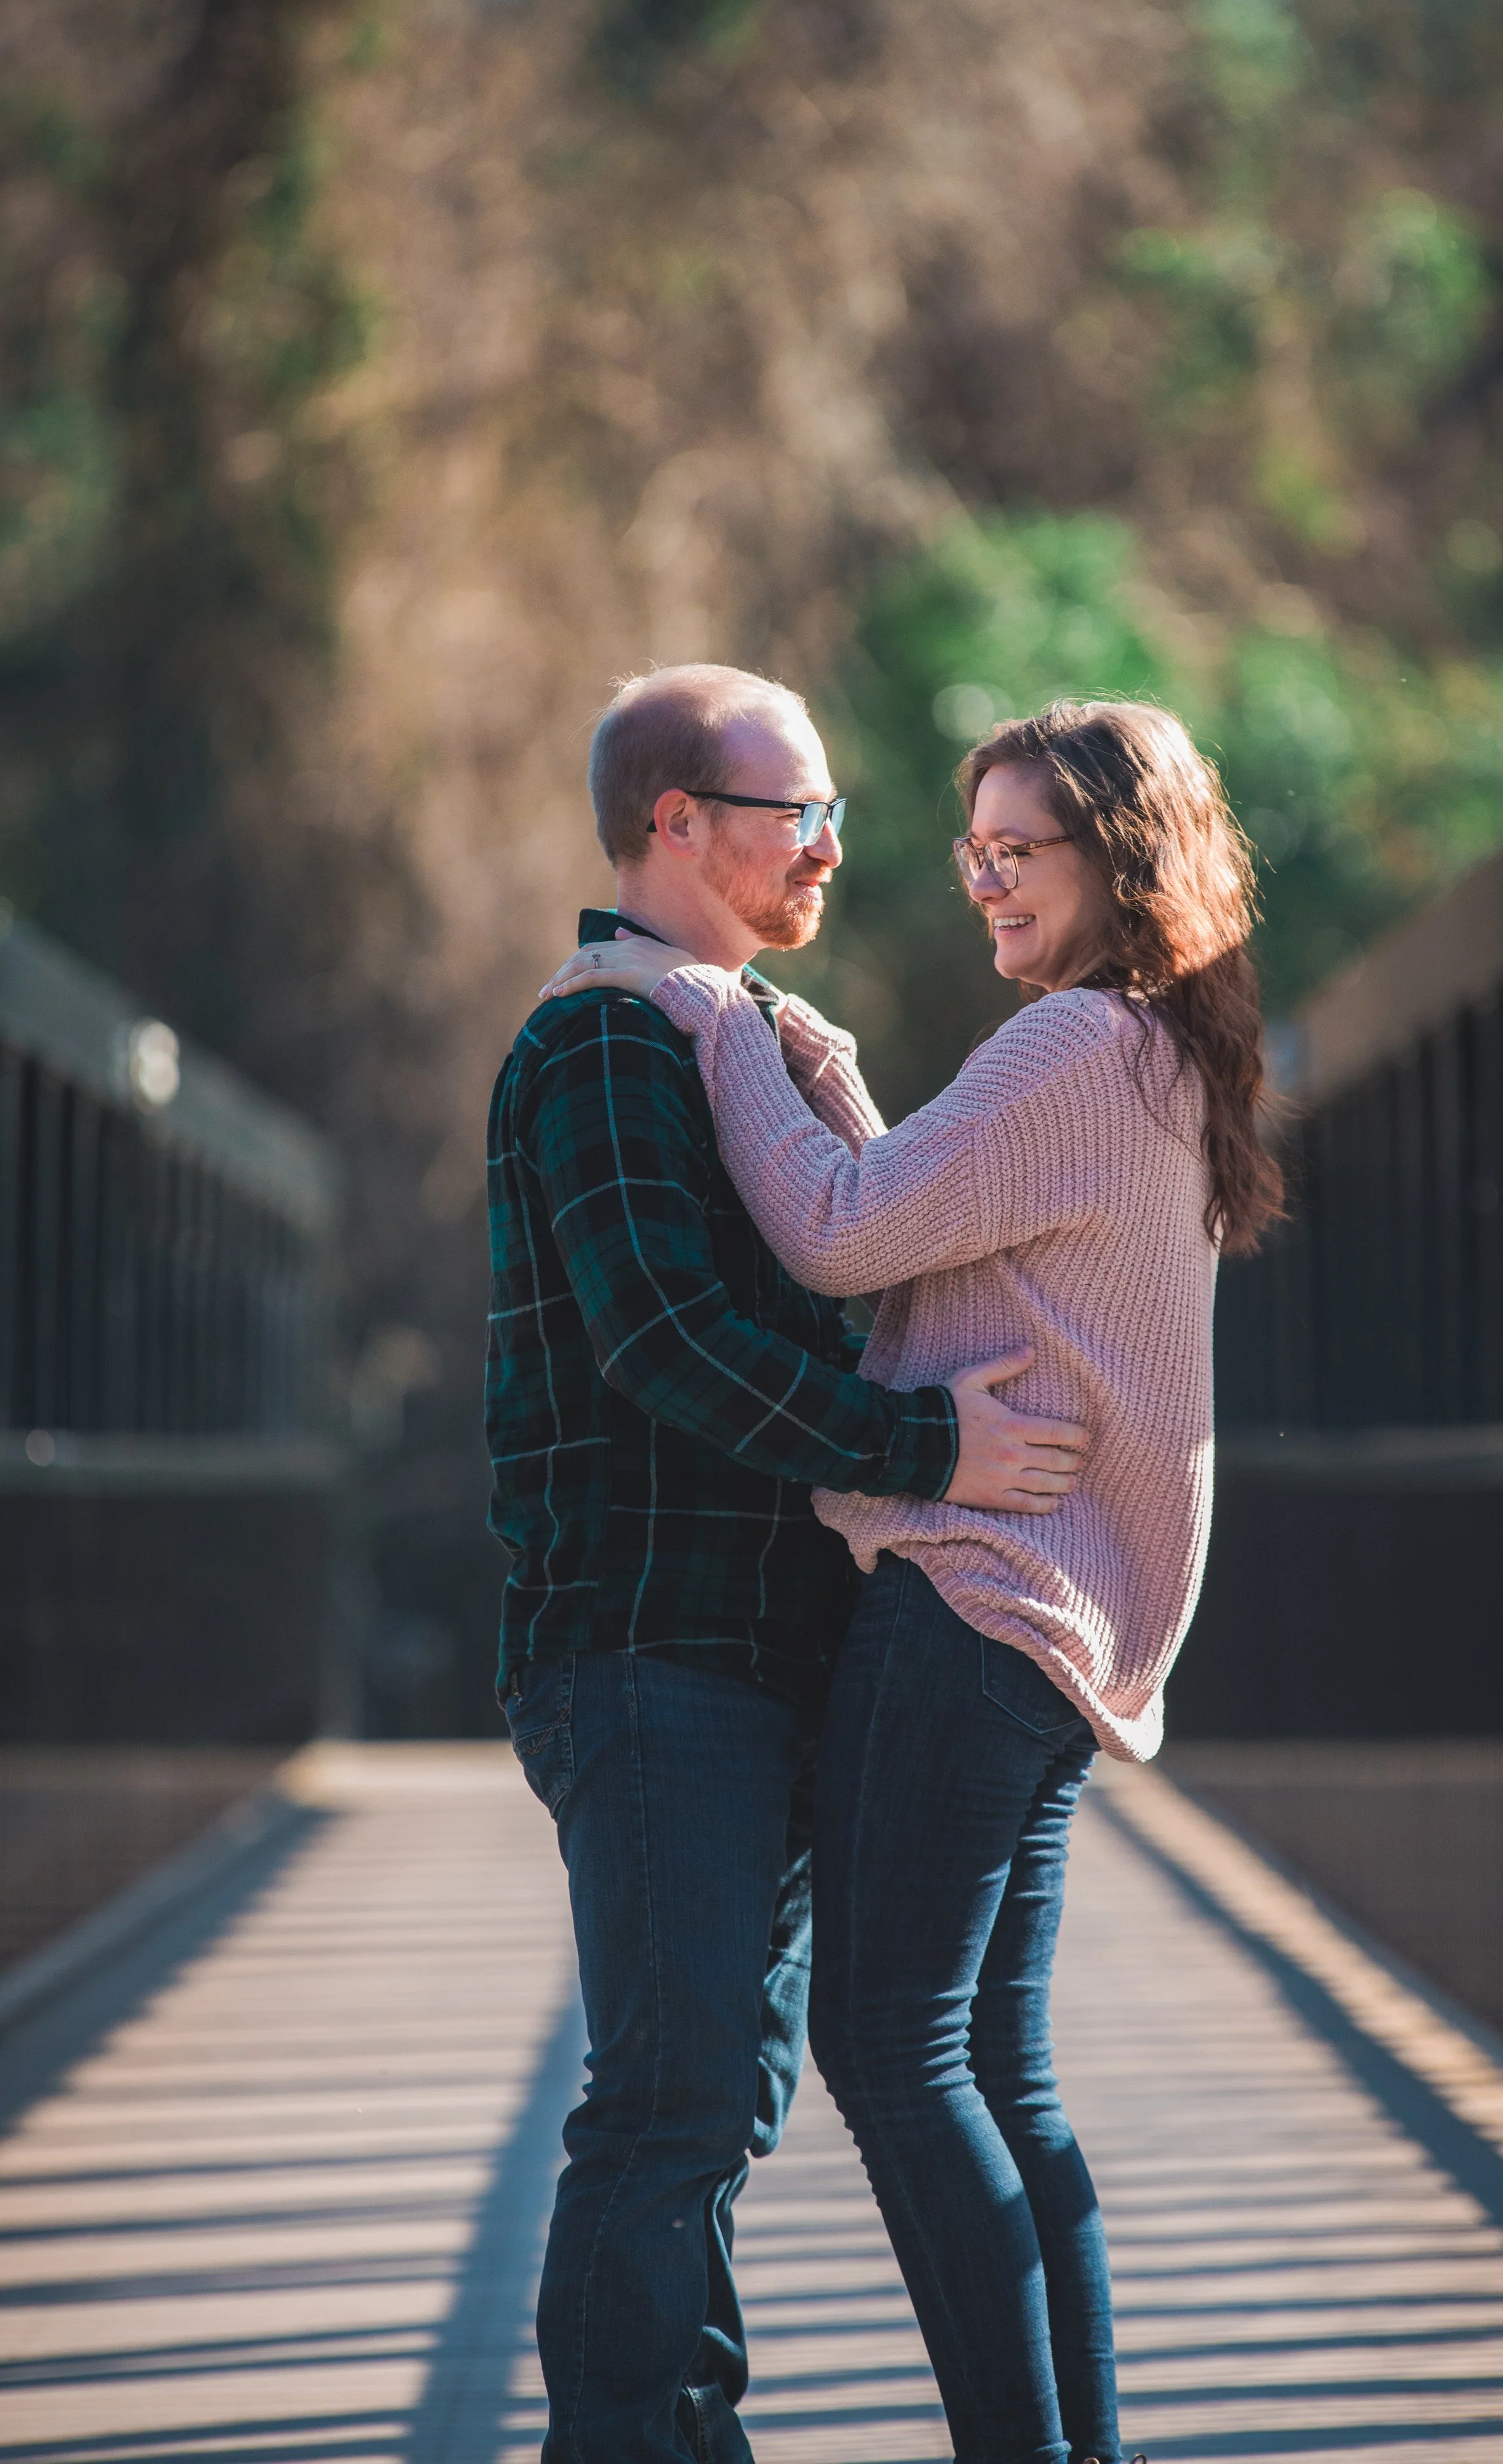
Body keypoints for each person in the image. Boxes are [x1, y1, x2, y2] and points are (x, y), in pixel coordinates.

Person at [545, 696, 1284, 2464]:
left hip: (968, 1597)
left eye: (1013, 851)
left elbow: (834, 1232)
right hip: (1056, 1619)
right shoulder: (1152, 1053)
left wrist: (709, 1013)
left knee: (896, 2058)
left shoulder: (1065, 1054)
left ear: (1115, 860)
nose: (982, 885)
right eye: (973, 851)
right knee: (1000, 2079)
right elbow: (923, 1219)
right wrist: (805, 1056)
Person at [487, 663, 1092, 2464]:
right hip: (651, 1648)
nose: (833, 842)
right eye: (794, 810)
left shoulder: (734, 1032)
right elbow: (664, 1337)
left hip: (759, 1659)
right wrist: (937, 1451)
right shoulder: (603, 1042)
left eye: (833, 810)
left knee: (712, 2101)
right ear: (675, 823)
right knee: (671, 2105)